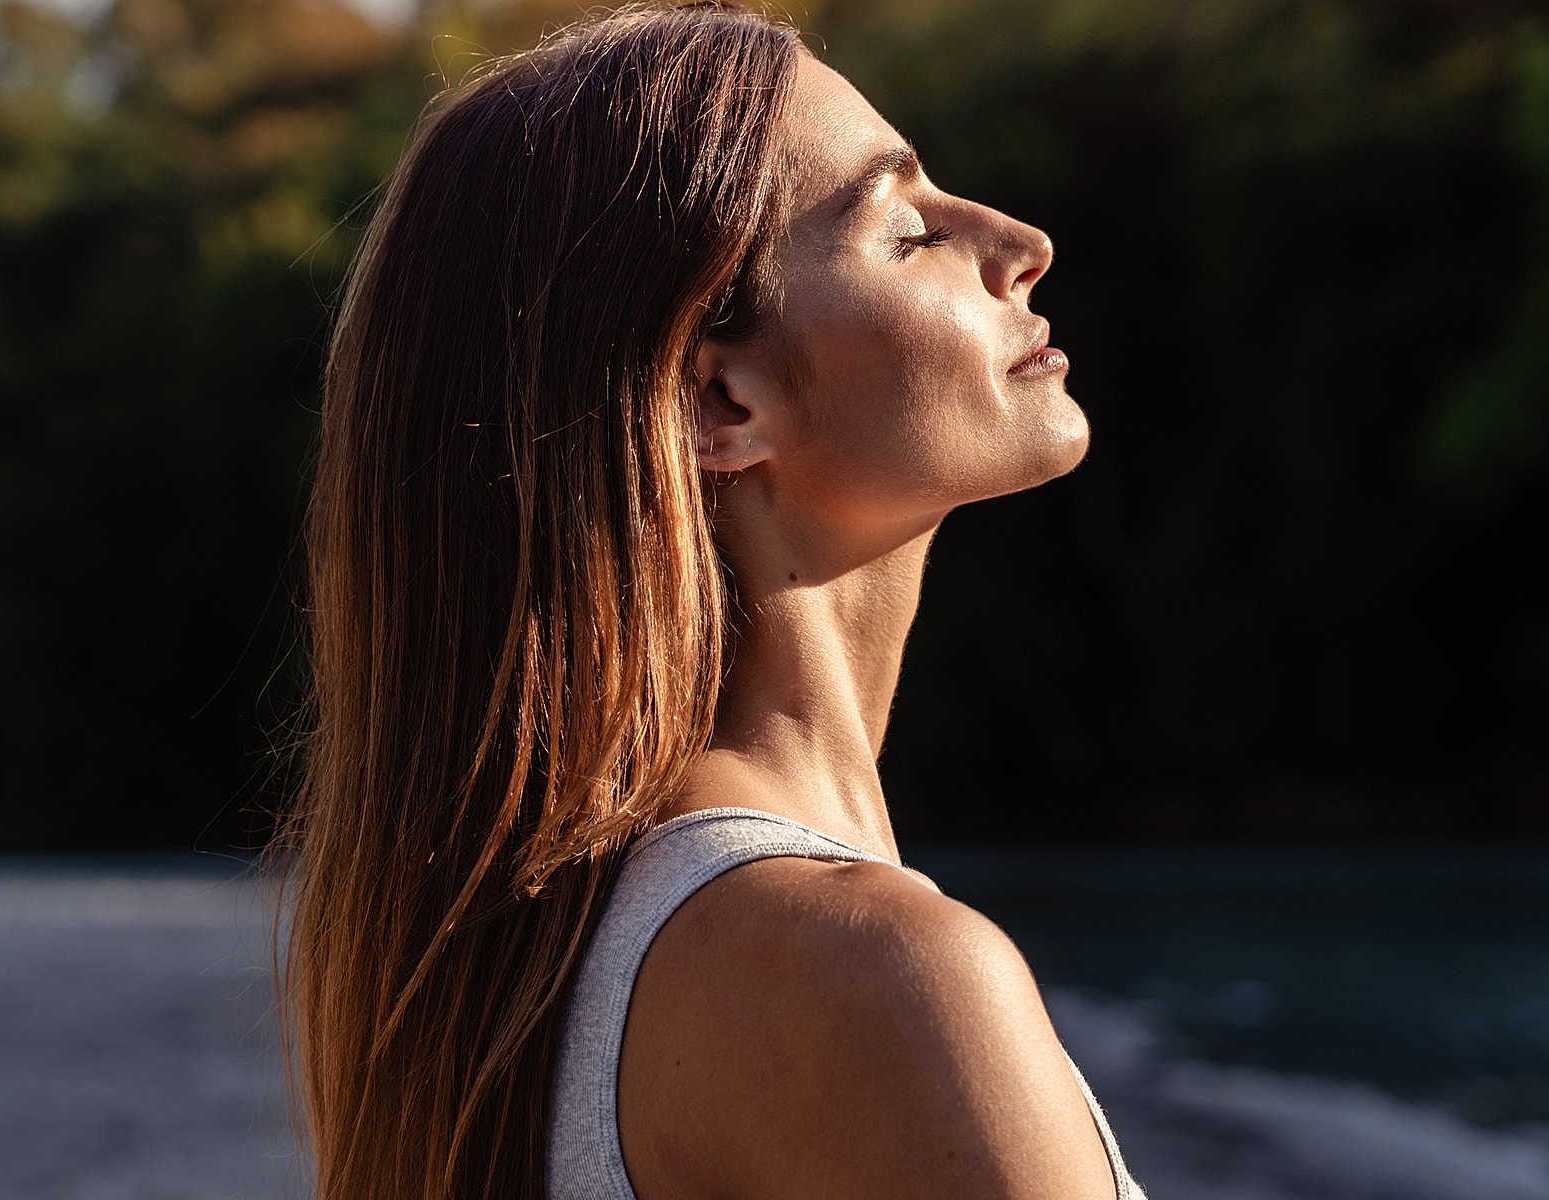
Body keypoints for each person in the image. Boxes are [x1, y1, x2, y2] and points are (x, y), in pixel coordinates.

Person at [280, 4, 1144, 1198]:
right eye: (900, 229)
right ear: (714, 406)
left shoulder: (523, 987)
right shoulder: (872, 977)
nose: (1016, 238)